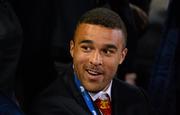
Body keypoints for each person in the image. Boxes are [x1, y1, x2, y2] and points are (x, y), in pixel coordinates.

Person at [29, 8, 150, 115]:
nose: (95, 60)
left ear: (122, 56)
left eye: (107, 51)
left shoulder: (137, 98)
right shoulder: (48, 106)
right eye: (87, 48)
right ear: (72, 49)